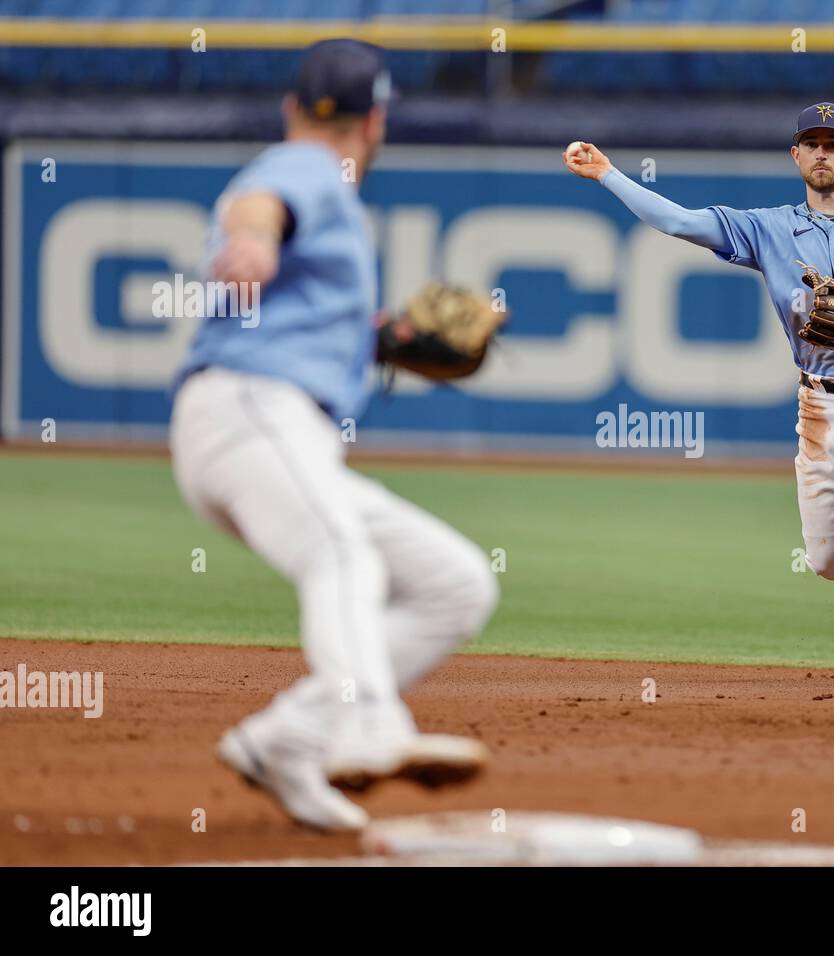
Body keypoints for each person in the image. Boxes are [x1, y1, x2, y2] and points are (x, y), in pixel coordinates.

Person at [169, 39, 498, 831]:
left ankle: (284, 740)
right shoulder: (309, 168)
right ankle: (368, 724)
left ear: (292, 104)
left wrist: (391, 337)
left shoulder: (331, 201)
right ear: (376, 120)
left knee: (455, 585)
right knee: (342, 554)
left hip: (283, 431)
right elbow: (260, 208)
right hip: (249, 410)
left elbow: (309, 297)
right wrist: (247, 243)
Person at [563, 102, 834, 688]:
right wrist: (608, 174)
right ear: (795, 155)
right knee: (826, 560)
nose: (823, 153)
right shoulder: (767, 227)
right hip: (819, 401)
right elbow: (681, 223)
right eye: (811, 144)